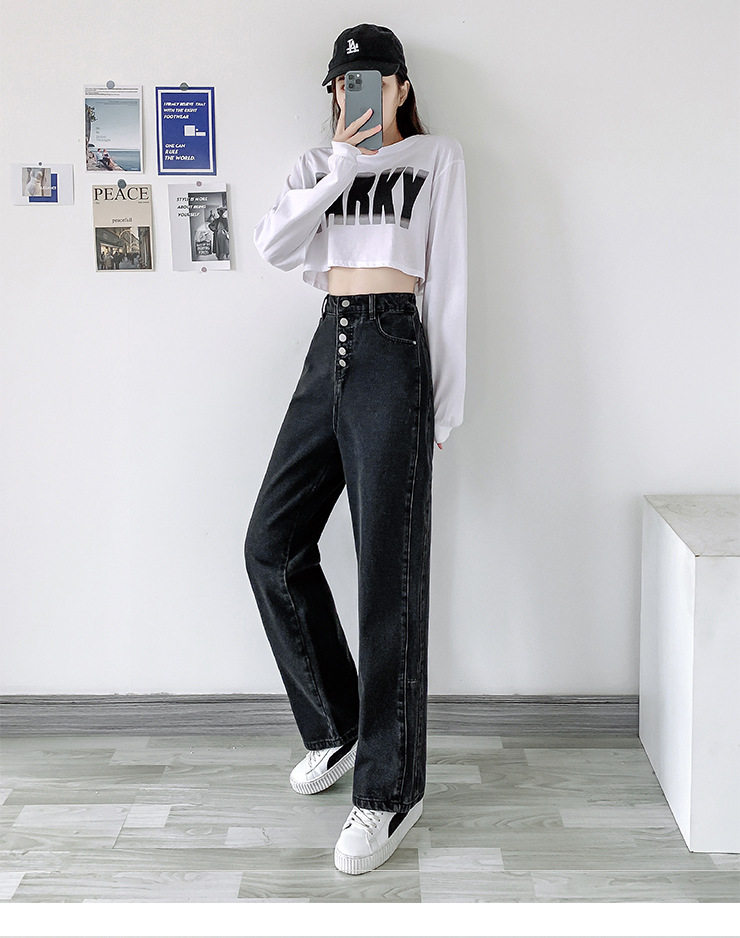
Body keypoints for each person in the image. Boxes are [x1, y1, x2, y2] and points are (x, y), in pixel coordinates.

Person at [245, 23, 468, 875]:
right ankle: (338, 726)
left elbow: (450, 285)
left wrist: (442, 407)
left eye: (371, 79)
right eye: (343, 83)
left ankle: (389, 791)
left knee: (388, 575)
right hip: (326, 348)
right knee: (271, 545)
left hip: (393, 349)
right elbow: (275, 247)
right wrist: (341, 167)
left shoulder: (437, 159)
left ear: (401, 87)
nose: (355, 94)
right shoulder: (317, 165)